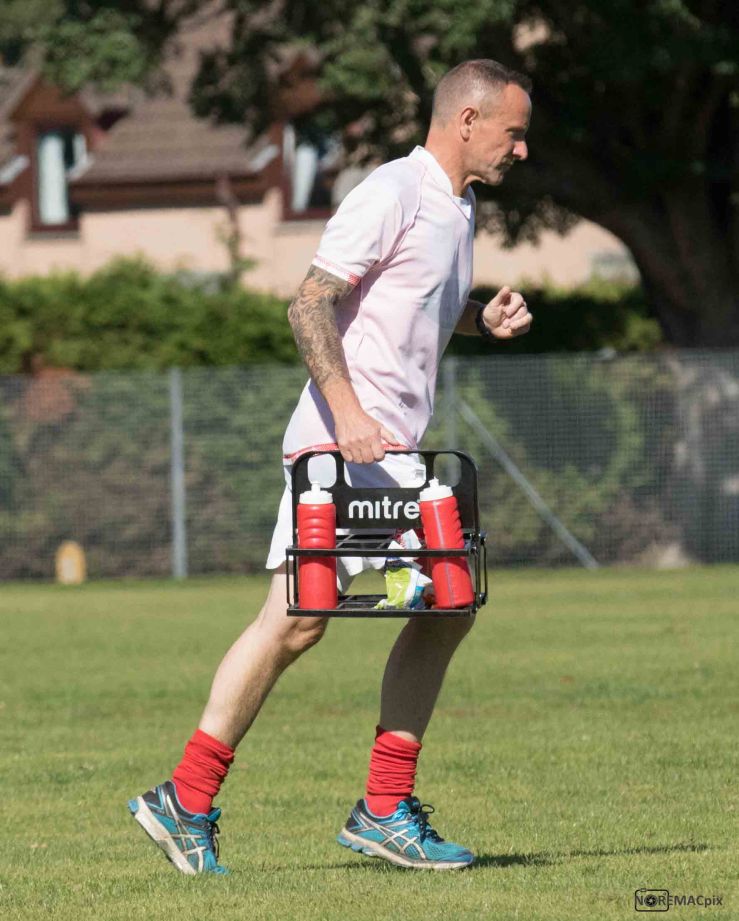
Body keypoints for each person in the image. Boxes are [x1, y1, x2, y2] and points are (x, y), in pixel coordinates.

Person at [128, 58, 533, 874]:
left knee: (443, 604)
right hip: (341, 451)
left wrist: (478, 319)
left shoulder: (458, 207)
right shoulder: (392, 191)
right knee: (295, 620)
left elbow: (409, 306)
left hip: (391, 458)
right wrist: (347, 415)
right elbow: (309, 302)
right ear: (466, 120)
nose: (521, 150)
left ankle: (377, 806)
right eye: (513, 132)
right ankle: (191, 797)